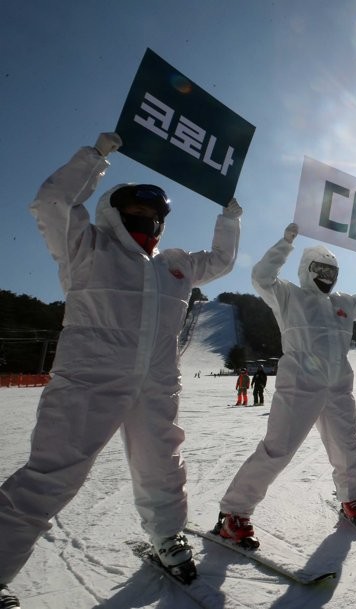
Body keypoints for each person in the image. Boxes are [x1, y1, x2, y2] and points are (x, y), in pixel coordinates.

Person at [0, 132, 241, 598]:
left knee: (163, 467)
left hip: (156, 383)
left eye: (156, 218)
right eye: (138, 213)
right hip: (90, 379)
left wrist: (229, 216)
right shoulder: (87, 247)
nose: (148, 222)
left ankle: (167, 536)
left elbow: (222, 260)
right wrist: (93, 159)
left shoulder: (175, 265)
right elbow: (52, 202)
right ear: (114, 211)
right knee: (52, 475)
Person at [215, 223, 356, 546]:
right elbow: (261, 277)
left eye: (332, 270)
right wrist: (285, 242)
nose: (327, 275)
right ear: (307, 270)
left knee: (348, 448)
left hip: (337, 388)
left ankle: (350, 498)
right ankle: (234, 513)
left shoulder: (342, 303)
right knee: (277, 449)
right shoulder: (289, 294)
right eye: (320, 268)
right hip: (300, 385)